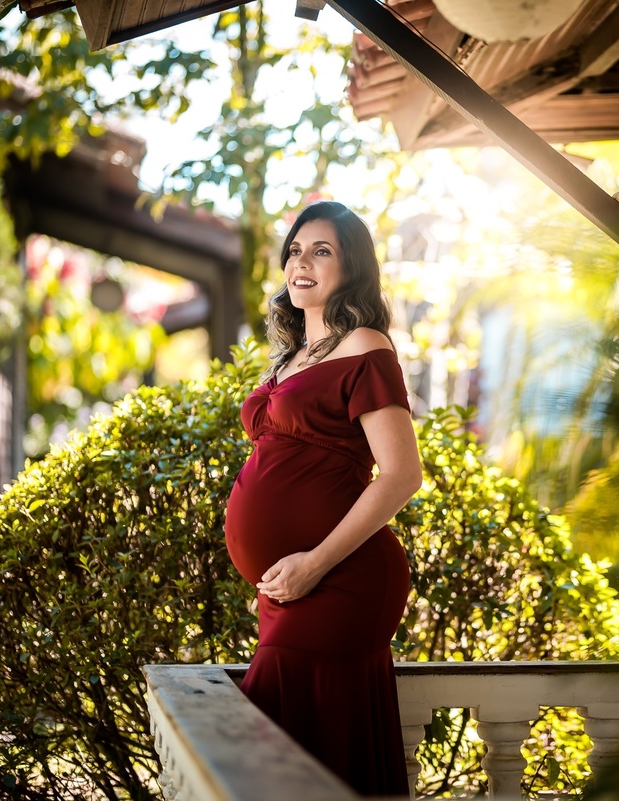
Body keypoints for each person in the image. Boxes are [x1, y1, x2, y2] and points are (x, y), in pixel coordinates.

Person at [223, 201, 422, 796]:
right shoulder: (290, 358)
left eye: (322, 251)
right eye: (295, 250)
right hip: (290, 588)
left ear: (351, 266)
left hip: (340, 579)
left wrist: (314, 563)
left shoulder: (364, 344)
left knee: (273, 743)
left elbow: (401, 474)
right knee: (311, 751)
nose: (301, 262)